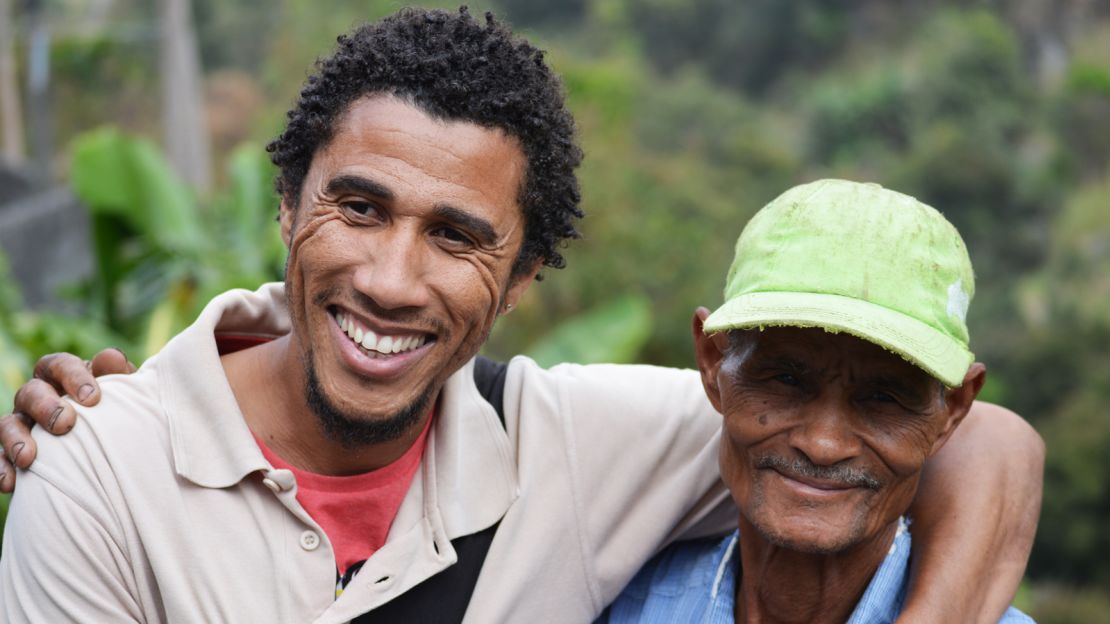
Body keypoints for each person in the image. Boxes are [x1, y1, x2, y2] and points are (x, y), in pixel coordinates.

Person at [0, 8, 1043, 623]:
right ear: (285, 205)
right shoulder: (101, 477)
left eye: (458, 236)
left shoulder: (581, 446)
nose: (394, 279)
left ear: (526, 273)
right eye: (358, 208)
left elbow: (972, 441)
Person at [600, 179, 1034, 623]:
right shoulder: (610, 601)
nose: (823, 444)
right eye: (786, 379)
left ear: (953, 412)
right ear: (713, 362)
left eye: (883, 398)